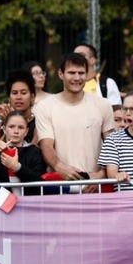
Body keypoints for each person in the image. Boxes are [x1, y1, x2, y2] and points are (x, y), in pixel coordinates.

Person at [34, 52, 116, 192]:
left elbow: (112, 146)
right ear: (61, 74)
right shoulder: (45, 106)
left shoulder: (103, 105)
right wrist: (61, 168)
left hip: (96, 186)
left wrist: (101, 175)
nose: (77, 78)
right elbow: (46, 145)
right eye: (71, 73)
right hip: (60, 186)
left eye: (81, 73)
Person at [0, 111, 46, 195]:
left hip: (28, 205)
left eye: (21, 127)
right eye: (11, 127)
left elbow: (39, 181)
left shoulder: (34, 151)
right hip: (3, 205)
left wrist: (17, 167)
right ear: (4, 129)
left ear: (26, 131)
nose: (16, 131)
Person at [0, 71, 37, 145]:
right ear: (9, 98)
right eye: (14, 93)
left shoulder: (38, 124)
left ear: (32, 97)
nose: (18, 97)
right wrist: (8, 123)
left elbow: (33, 153)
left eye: (23, 93)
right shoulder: (2, 124)